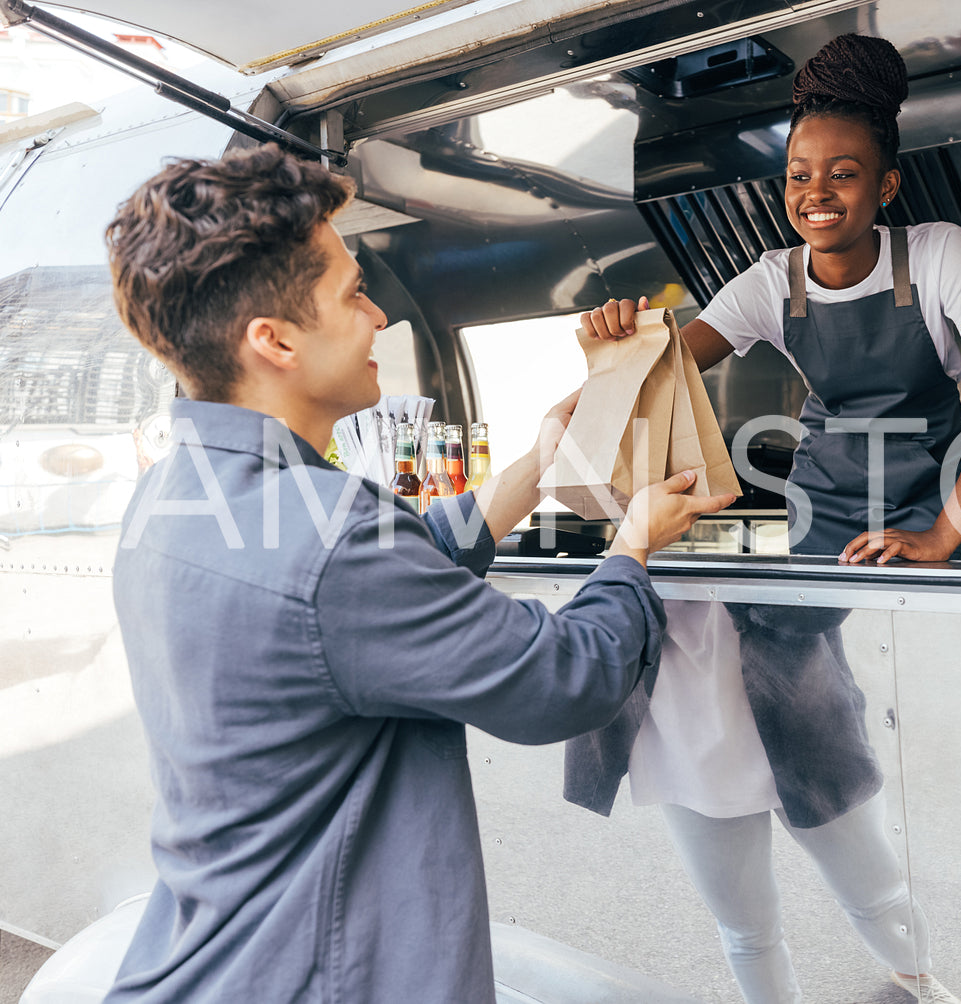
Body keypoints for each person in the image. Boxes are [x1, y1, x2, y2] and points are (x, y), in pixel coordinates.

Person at [101, 144, 733, 1003]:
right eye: (352, 292)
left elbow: (381, 576)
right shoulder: (327, 543)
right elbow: (564, 679)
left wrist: (535, 465)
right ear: (274, 340)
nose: (381, 319)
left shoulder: (178, 497)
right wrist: (631, 546)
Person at [577, 33, 961, 1004]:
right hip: (824, 520)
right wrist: (616, 344)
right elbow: (663, 370)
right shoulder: (769, 280)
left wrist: (944, 532)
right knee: (779, 665)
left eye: (842, 172)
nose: (815, 190)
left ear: (886, 185)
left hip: (922, 503)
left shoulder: (935, 254)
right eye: (798, 173)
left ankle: (917, 973)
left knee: (850, 773)